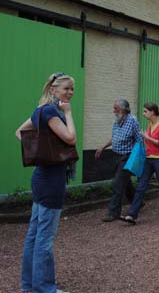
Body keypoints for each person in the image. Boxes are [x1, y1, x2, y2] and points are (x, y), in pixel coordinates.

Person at [16, 73, 77, 293]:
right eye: (66, 89)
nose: (70, 93)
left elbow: (19, 132)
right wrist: (68, 114)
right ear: (53, 90)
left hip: (41, 178)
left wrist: (44, 150)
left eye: (72, 90)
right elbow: (71, 138)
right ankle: (45, 288)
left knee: (34, 234)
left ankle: (30, 287)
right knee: (44, 238)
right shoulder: (52, 111)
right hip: (51, 180)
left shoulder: (39, 110)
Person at [123, 102, 159, 224]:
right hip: (149, 159)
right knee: (141, 186)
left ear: (152, 112)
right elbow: (149, 143)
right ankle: (132, 214)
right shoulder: (149, 125)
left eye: (145, 111)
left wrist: (147, 137)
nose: (144, 113)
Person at [96, 99, 142, 222]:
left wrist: (136, 159)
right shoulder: (117, 121)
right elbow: (114, 138)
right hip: (116, 155)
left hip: (127, 157)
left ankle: (113, 213)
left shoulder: (132, 121)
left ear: (123, 109)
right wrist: (103, 147)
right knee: (125, 183)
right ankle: (137, 202)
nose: (113, 111)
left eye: (115, 108)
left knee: (117, 184)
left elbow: (139, 140)